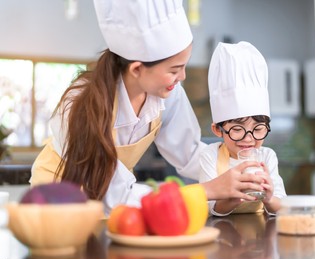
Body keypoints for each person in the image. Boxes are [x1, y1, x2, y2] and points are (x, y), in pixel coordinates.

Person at [29, 0, 264, 215]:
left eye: (183, 67)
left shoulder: (166, 94)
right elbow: (116, 194)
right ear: (137, 69)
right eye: (174, 70)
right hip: (56, 203)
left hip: (115, 206)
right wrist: (209, 190)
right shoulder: (81, 103)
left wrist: (238, 170)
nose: (181, 77)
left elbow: (191, 153)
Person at [200, 41, 287, 216]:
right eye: (238, 130)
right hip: (223, 235)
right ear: (218, 130)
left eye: (258, 129)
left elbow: (281, 205)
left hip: (260, 236)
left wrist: (269, 198)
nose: (249, 139)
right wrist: (232, 198)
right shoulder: (210, 156)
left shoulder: (267, 156)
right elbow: (209, 208)